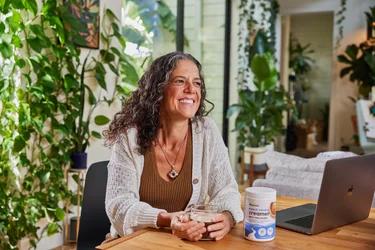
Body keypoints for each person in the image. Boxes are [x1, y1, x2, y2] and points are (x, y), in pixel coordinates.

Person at [103, 51, 243, 242]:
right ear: (158, 90)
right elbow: (118, 205)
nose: (191, 89)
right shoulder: (129, 136)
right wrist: (168, 220)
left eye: (197, 83)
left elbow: (227, 191)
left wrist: (227, 217)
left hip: (187, 244)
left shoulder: (206, 131)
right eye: (179, 81)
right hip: (137, 243)